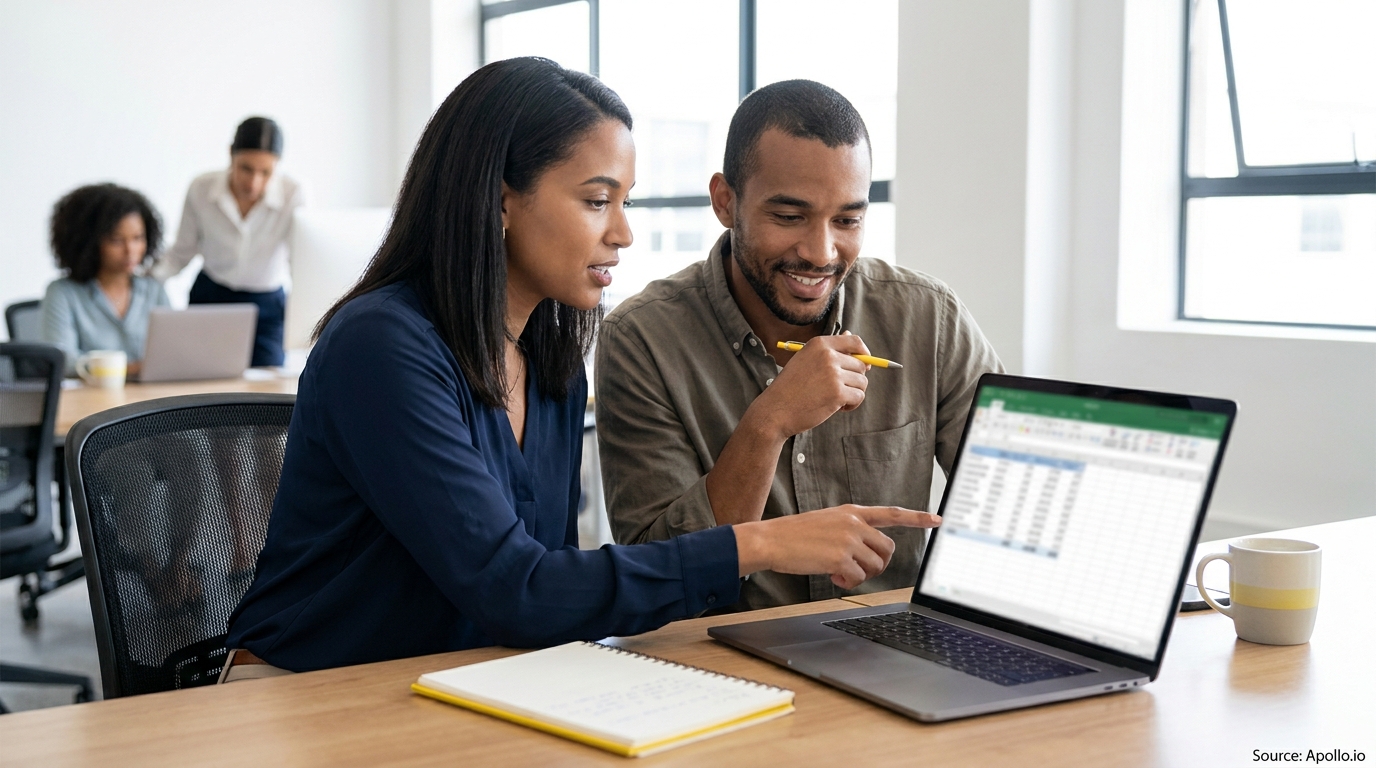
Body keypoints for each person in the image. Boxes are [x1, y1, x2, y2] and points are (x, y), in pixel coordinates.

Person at [223, 58, 940, 678]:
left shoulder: (553, 356)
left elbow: (551, 590)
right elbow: (517, 590)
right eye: (598, 200)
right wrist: (760, 544)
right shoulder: (379, 347)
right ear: (500, 200)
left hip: (464, 683)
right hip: (312, 693)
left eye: (624, 202)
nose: (623, 233)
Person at [596, 80, 1003, 612]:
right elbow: (657, 575)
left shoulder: (927, 317)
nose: (821, 251)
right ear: (725, 201)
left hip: (891, 644)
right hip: (720, 658)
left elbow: (1010, 499)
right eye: (789, 217)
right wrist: (769, 424)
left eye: (848, 220)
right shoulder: (643, 338)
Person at [153, 116, 303, 367]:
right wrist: (138, 282)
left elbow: (301, 262)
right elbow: (181, 253)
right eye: (246, 168)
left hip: (266, 305)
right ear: (230, 155)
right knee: (199, 376)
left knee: (268, 384)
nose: (254, 182)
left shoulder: (293, 194)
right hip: (211, 296)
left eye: (265, 172)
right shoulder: (201, 188)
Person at [41, 184, 170, 377]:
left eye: (138, 238)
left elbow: (173, 352)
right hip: (92, 402)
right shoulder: (62, 293)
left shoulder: (154, 289)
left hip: (151, 400)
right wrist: (127, 370)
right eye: (117, 240)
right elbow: (64, 362)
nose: (130, 250)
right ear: (89, 242)